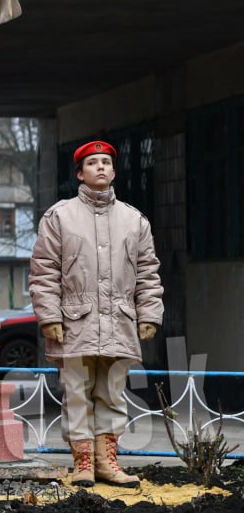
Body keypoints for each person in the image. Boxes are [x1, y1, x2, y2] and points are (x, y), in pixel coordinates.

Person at [29, 140, 163, 488]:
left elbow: (148, 272)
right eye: (92, 163)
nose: (100, 167)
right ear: (80, 173)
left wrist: (149, 313)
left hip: (119, 321)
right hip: (75, 322)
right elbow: (44, 271)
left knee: (113, 393)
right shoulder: (60, 216)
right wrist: (50, 317)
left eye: (106, 162)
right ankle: (83, 463)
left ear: (114, 171)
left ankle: (108, 462)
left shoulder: (135, 220)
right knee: (77, 392)